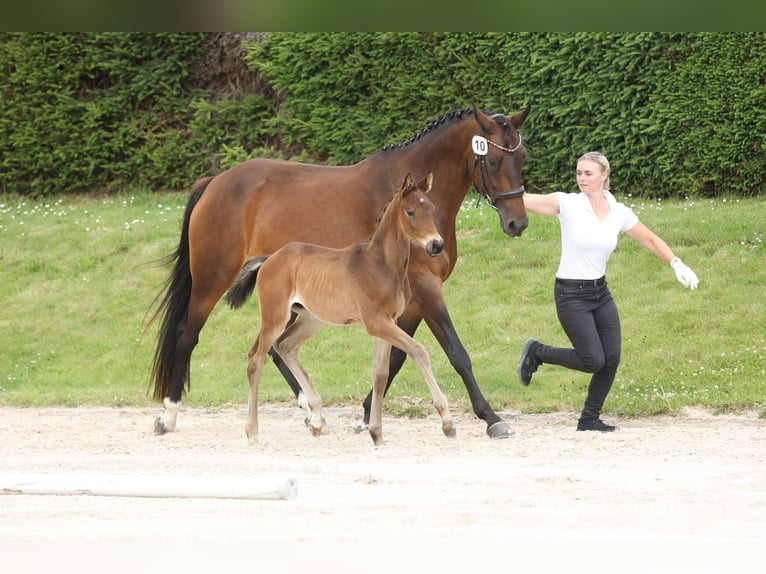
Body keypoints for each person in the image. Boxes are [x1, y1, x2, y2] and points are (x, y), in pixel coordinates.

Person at [517, 151, 698, 432]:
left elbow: (649, 238)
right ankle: (538, 352)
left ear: (604, 176)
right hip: (570, 294)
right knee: (592, 360)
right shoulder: (568, 203)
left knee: (611, 358)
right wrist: (499, 187)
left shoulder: (619, 211)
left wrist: (675, 261)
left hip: (600, 292)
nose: (581, 179)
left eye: (588, 173)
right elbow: (526, 200)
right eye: (578, 173)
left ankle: (589, 419)